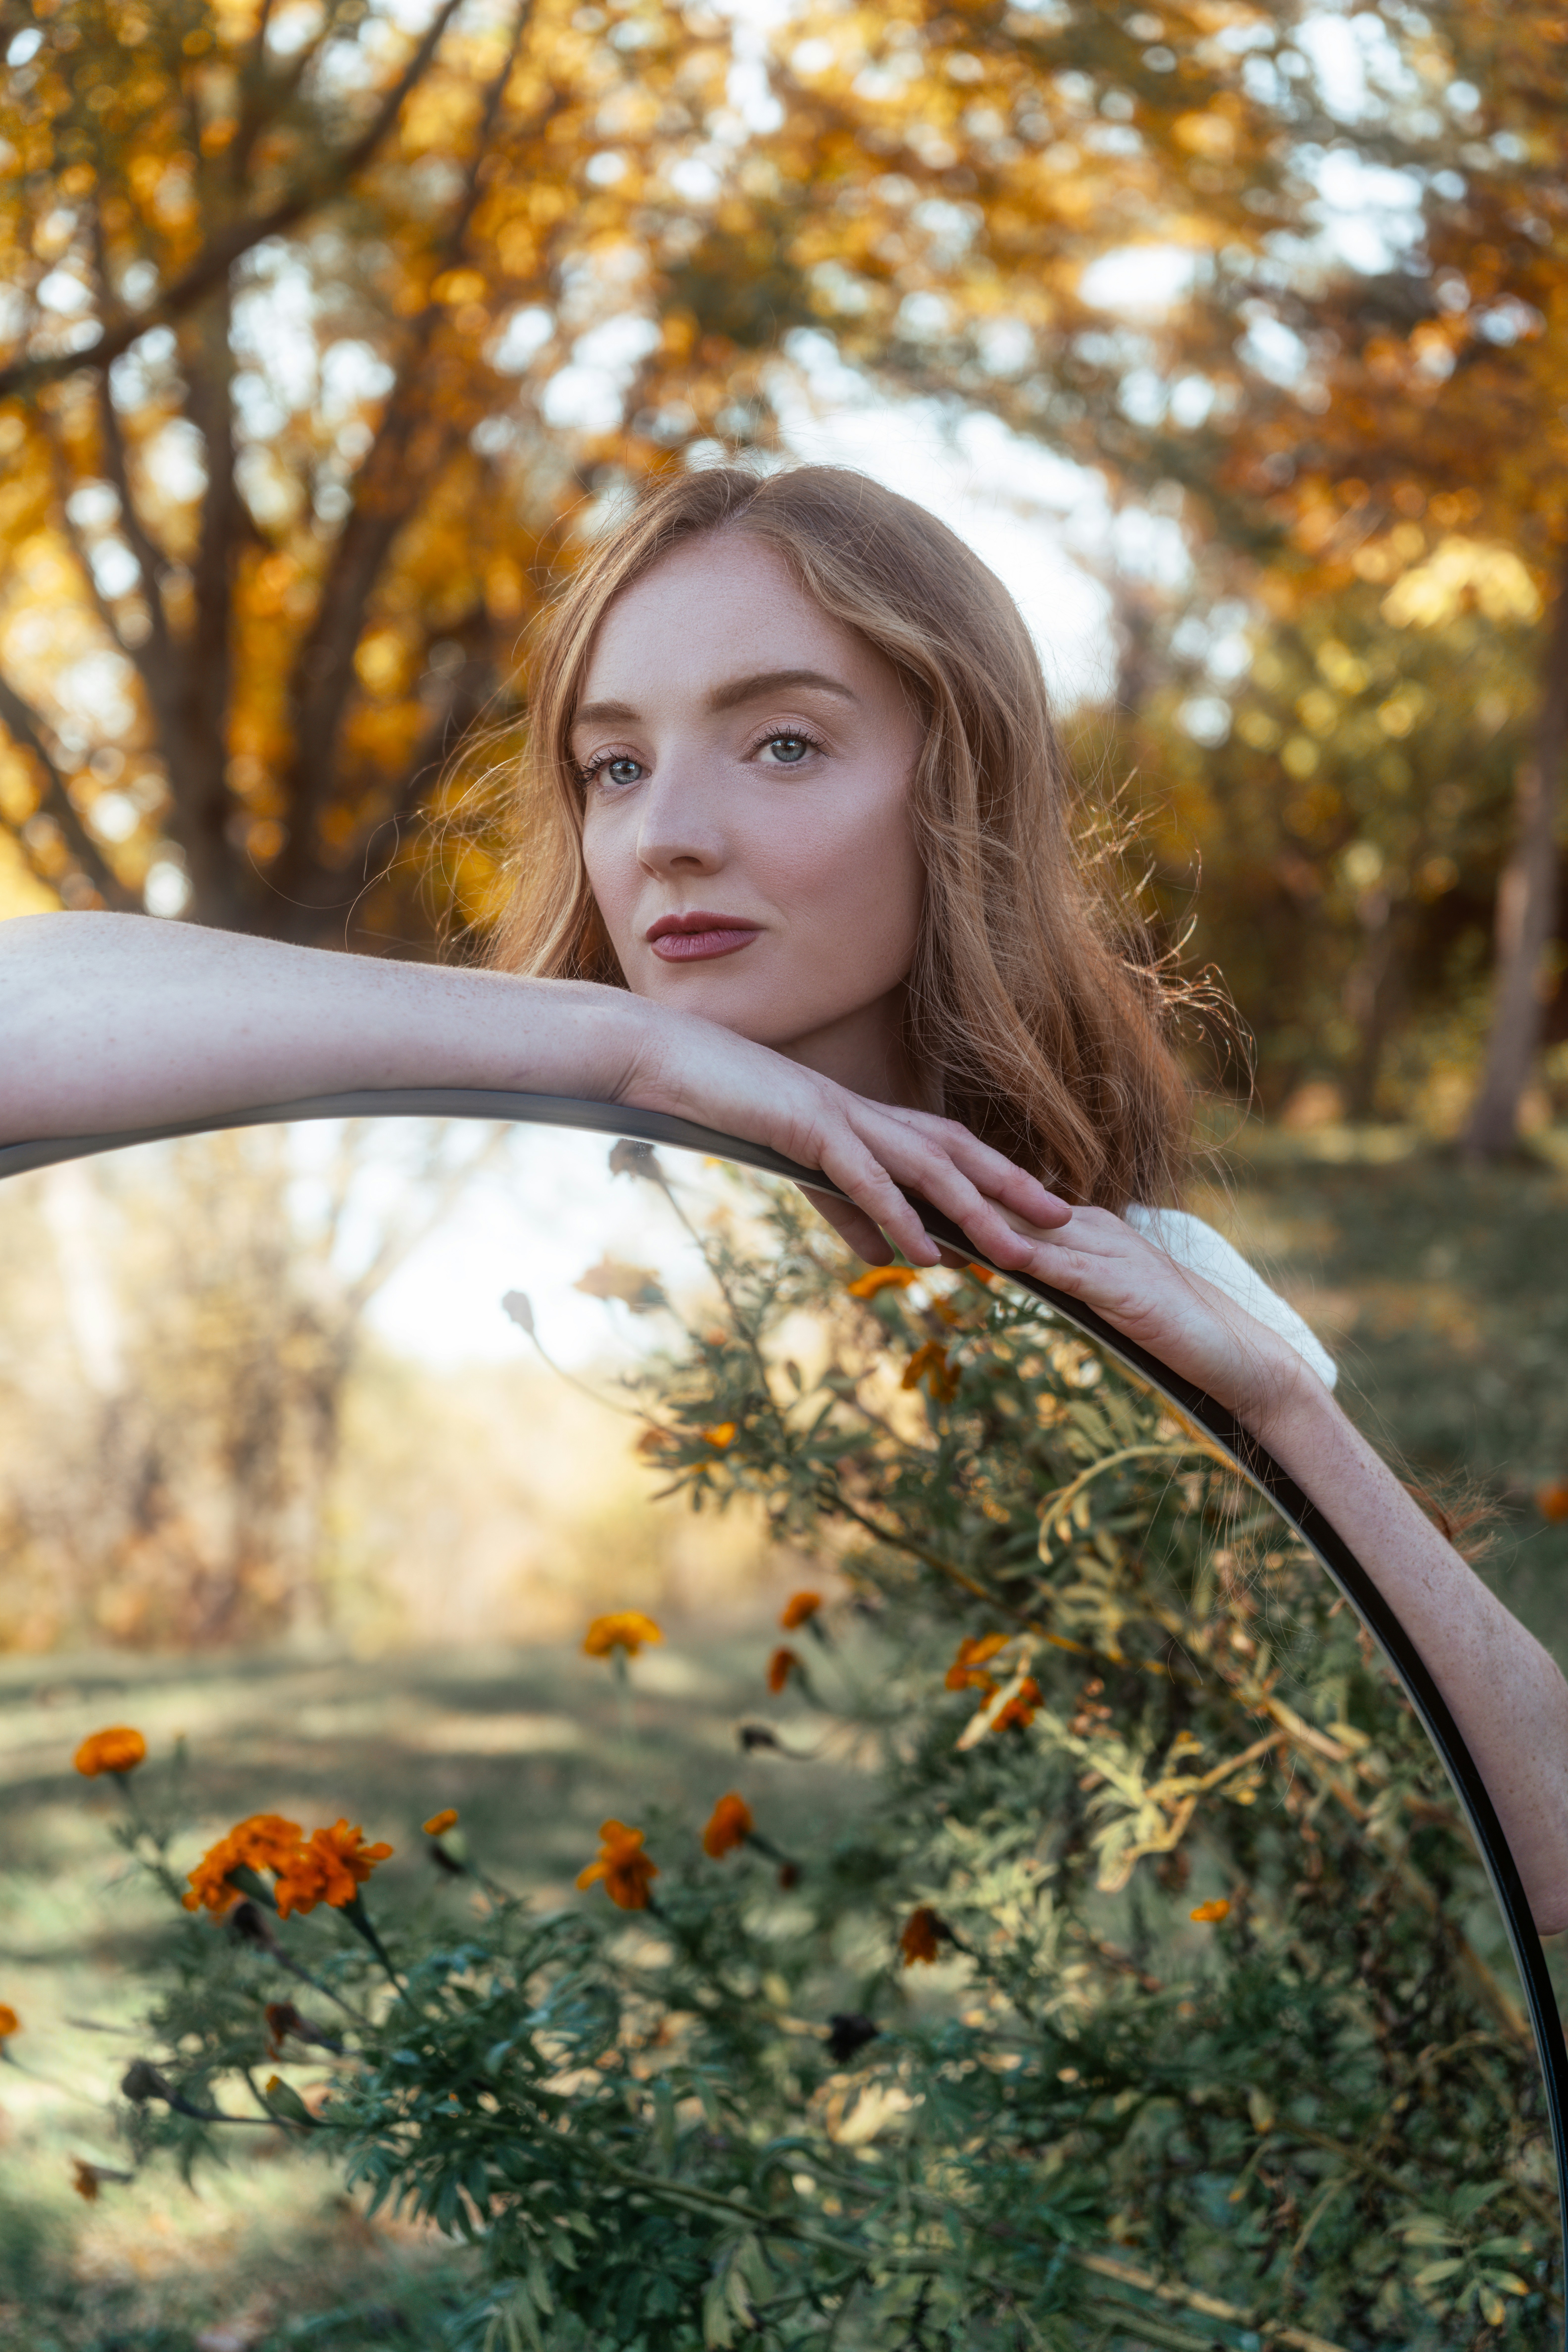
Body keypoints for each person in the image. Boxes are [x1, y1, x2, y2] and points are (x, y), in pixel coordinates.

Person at [3, 463, 1566, 1928]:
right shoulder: (537, 1223)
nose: (669, 837)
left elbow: (1537, 1865)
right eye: (615, 766)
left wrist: (1281, 1413)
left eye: (784, 744)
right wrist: (609, 1043)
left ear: (958, 792)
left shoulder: (1121, 1289)